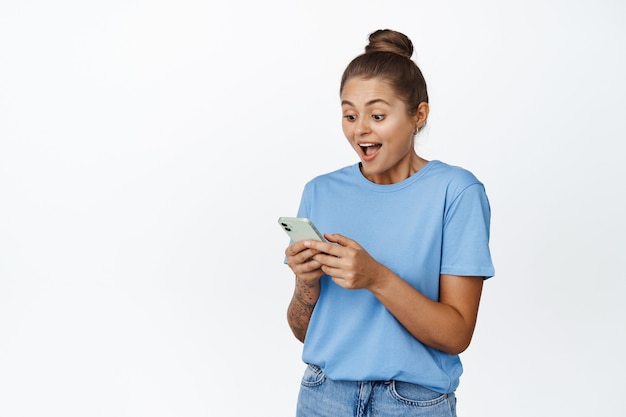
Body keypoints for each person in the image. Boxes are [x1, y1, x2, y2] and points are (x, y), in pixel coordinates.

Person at [283, 29, 494, 417]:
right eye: (349, 115)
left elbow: (456, 334)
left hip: (412, 404)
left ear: (419, 115)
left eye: (377, 115)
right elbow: (303, 330)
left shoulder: (456, 192)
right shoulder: (320, 191)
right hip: (322, 396)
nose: (360, 128)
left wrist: (375, 277)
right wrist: (305, 282)